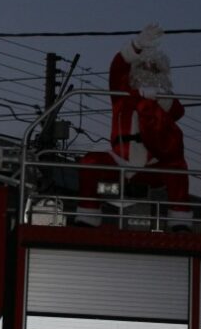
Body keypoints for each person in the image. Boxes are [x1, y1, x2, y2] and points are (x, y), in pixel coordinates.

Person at [76, 23, 192, 231]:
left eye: (154, 68)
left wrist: (159, 99)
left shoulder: (167, 103)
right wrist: (137, 45)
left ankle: (180, 220)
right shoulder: (121, 96)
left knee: (178, 168)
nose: (149, 71)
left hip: (152, 165)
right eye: (144, 66)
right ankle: (88, 216)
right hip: (121, 159)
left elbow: (178, 112)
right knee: (90, 162)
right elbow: (117, 67)